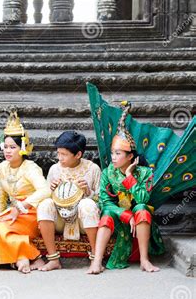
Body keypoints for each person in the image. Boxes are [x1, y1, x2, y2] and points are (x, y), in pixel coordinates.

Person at [88, 102, 164, 274]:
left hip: (139, 216)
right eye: (112, 153)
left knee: (142, 208)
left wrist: (130, 176)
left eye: (118, 154)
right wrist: (123, 213)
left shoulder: (145, 173)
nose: (113, 158)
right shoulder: (108, 172)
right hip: (118, 215)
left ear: (130, 156)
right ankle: (97, 261)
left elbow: (143, 199)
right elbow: (105, 201)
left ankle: (145, 260)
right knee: (107, 214)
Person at [0, 111, 51, 273]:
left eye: (13, 147)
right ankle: (25, 258)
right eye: (5, 147)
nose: (8, 151)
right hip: (13, 212)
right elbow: (0, 197)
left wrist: (21, 206)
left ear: (22, 148)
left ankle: (24, 258)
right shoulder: (1, 168)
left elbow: (45, 190)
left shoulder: (30, 167)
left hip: (31, 213)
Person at [37, 131, 101, 271]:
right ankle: (53, 259)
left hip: (83, 221)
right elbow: (46, 196)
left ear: (78, 154)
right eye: (58, 153)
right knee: (44, 205)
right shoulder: (55, 169)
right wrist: (51, 190)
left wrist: (89, 192)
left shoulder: (93, 169)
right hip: (61, 220)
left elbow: (103, 200)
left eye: (64, 154)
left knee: (87, 204)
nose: (59, 158)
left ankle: (96, 258)